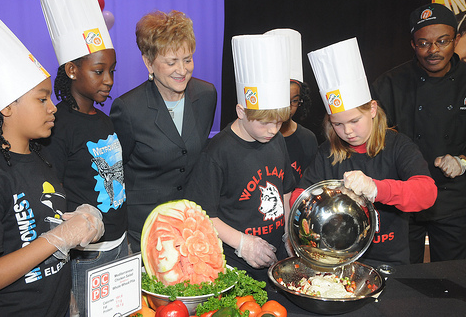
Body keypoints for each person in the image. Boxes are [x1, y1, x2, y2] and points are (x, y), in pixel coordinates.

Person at [0, 8, 104, 316]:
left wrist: (76, 222)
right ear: (6, 107)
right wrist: (55, 240)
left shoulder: (40, 157)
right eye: (42, 99)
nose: (52, 108)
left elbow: (39, 227)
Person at [291, 38, 437, 268]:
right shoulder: (328, 151)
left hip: (389, 259)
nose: (347, 132)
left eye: (354, 121)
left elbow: (427, 193)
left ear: (372, 109)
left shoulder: (398, 145)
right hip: (337, 259)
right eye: (337, 124)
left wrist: (376, 189)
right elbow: (301, 193)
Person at [40, 0, 127, 315]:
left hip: (120, 244)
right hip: (85, 255)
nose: (108, 80)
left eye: (112, 71)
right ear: (72, 71)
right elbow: (53, 194)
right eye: (98, 71)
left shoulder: (105, 121)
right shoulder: (57, 125)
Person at [185, 34, 295, 282]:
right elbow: (203, 214)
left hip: (276, 258)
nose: (273, 130)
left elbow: (285, 190)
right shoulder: (217, 153)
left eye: (279, 122)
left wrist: (289, 230)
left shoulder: (276, 141)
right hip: (235, 264)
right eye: (265, 122)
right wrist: (243, 243)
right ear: (241, 111)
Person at [110, 10, 217, 253]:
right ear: (148, 62)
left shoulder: (206, 95)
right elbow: (116, 175)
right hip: (144, 227)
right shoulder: (128, 109)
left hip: (190, 224)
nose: (182, 70)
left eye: (187, 59)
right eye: (171, 62)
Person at [371, 3, 466, 263]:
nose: (433, 50)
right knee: (405, 278)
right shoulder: (389, 84)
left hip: (453, 199)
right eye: (424, 43)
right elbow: (376, 139)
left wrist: (463, 159)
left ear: (456, 40)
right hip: (403, 201)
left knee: (452, 277)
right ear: (413, 45)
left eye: (442, 41)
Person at [265, 28, 318, 185]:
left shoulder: (307, 139)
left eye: (294, 100)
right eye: (282, 99)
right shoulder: (258, 135)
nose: (287, 108)